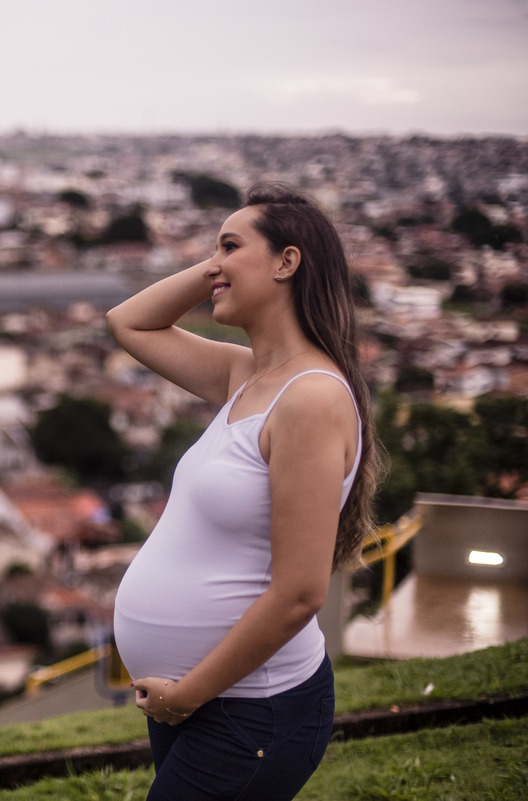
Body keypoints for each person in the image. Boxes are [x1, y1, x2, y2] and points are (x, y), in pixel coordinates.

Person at [107, 183, 383, 800]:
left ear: (288, 262)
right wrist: (223, 265)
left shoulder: (309, 398)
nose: (213, 268)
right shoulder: (248, 374)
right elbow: (128, 322)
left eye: (230, 248)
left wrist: (190, 694)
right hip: (200, 700)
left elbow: (299, 593)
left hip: (248, 709)